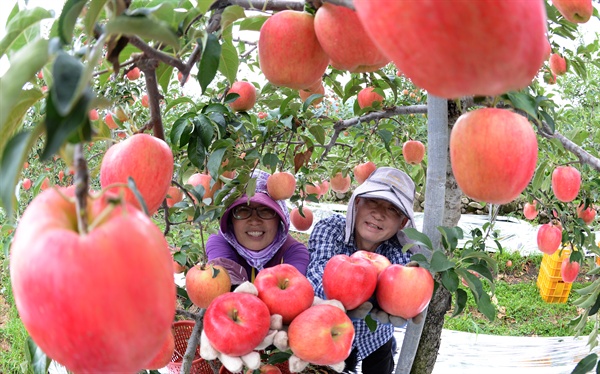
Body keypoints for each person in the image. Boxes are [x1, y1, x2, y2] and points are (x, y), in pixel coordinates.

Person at [306, 167, 425, 374]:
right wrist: (359, 294)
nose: (379, 214)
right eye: (373, 201)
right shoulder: (331, 230)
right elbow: (317, 279)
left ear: (402, 223)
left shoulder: (401, 251)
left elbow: (404, 294)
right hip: (329, 334)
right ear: (357, 203)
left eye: (392, 210)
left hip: (377, 339)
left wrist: (408, 296)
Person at [206, 169, 310, 285]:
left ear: (279, 220)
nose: (254, 221)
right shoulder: (220, 242)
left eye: (266, 211)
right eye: (243, 210)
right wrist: (235, 288)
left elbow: (295, 288)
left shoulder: (293, 252)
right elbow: (223, 277)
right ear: (231, 220)